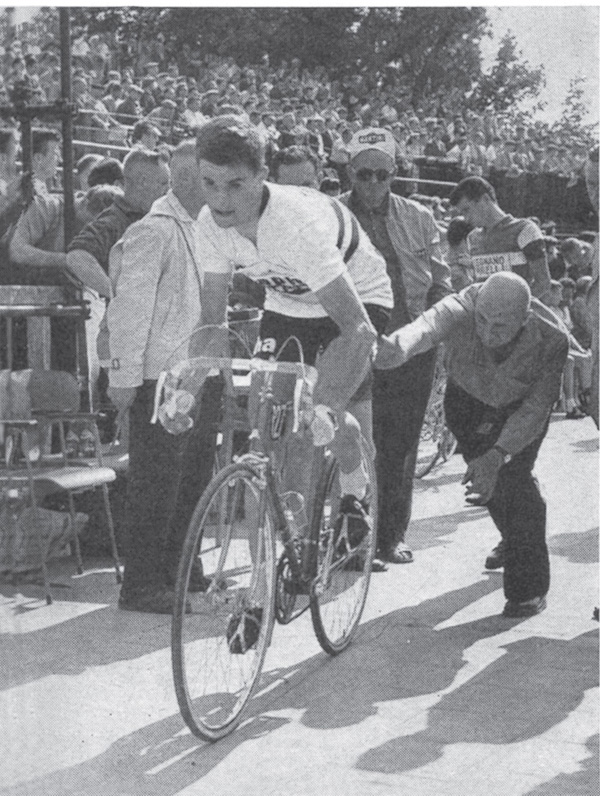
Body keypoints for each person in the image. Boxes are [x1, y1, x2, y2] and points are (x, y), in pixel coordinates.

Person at [194, 115, 393, 579]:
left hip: (357, 299)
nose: (221, 200)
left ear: (263, 176)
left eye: (236, 185)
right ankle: (282, 559)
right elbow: (211, 320)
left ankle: (353, 484)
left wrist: (326, 402)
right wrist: (192, 378)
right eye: (209, 183)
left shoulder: (296, 225)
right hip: (290, 301)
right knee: (270, 428)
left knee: (319, 413)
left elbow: (358, 330)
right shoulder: (209, 223)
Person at [376, 272, 569, 617]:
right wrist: (400, 346)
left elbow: (536, 409)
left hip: (519, 414)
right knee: (494, 486)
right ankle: (514, 537)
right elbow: (429, 324)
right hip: (466, 404)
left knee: (516, 485)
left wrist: (498, 455)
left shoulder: (552, 341)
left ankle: (528, 590)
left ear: (525, 319)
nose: (487, 333)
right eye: (481, 320)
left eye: (500, 326)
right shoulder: (464, 305)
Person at [107, 141, 219, 613]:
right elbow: (129, 312)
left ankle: (180, 568)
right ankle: (142, 584)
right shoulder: (153, 231)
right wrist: (125, 379)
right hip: (161, 380)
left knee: (192, 478)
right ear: (183, 179)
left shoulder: (204, 229)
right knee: (157, 484)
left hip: (196, 375)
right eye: (203, 177)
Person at [340, 127, 453, 564]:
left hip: (408, 346)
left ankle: (389, 536)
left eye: (381, 175)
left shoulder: (419, 217)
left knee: (399, 444)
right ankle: (350, 538)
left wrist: (431, 333)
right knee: (352, 443)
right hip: (352, 343)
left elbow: (441, 283)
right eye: (364, 174)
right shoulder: (330, 213)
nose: (372, 184)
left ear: (394, 174)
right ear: (350, 171)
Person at [66, 149, 171, 409]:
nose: (168, 191)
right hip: (124, 337)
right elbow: (77, 256)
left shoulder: (152, 217)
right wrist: (116, 293)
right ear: (143, 182)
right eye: (163, 183)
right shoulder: (116, 218)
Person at [449, 176, 551, 303]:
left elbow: (543, 283)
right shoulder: (473, 238)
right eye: (462, 214)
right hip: (486, 319)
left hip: (515, 318)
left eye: (467, 210)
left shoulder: (525, 230)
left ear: (485, 199)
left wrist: (513, 311)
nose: (466, 219)